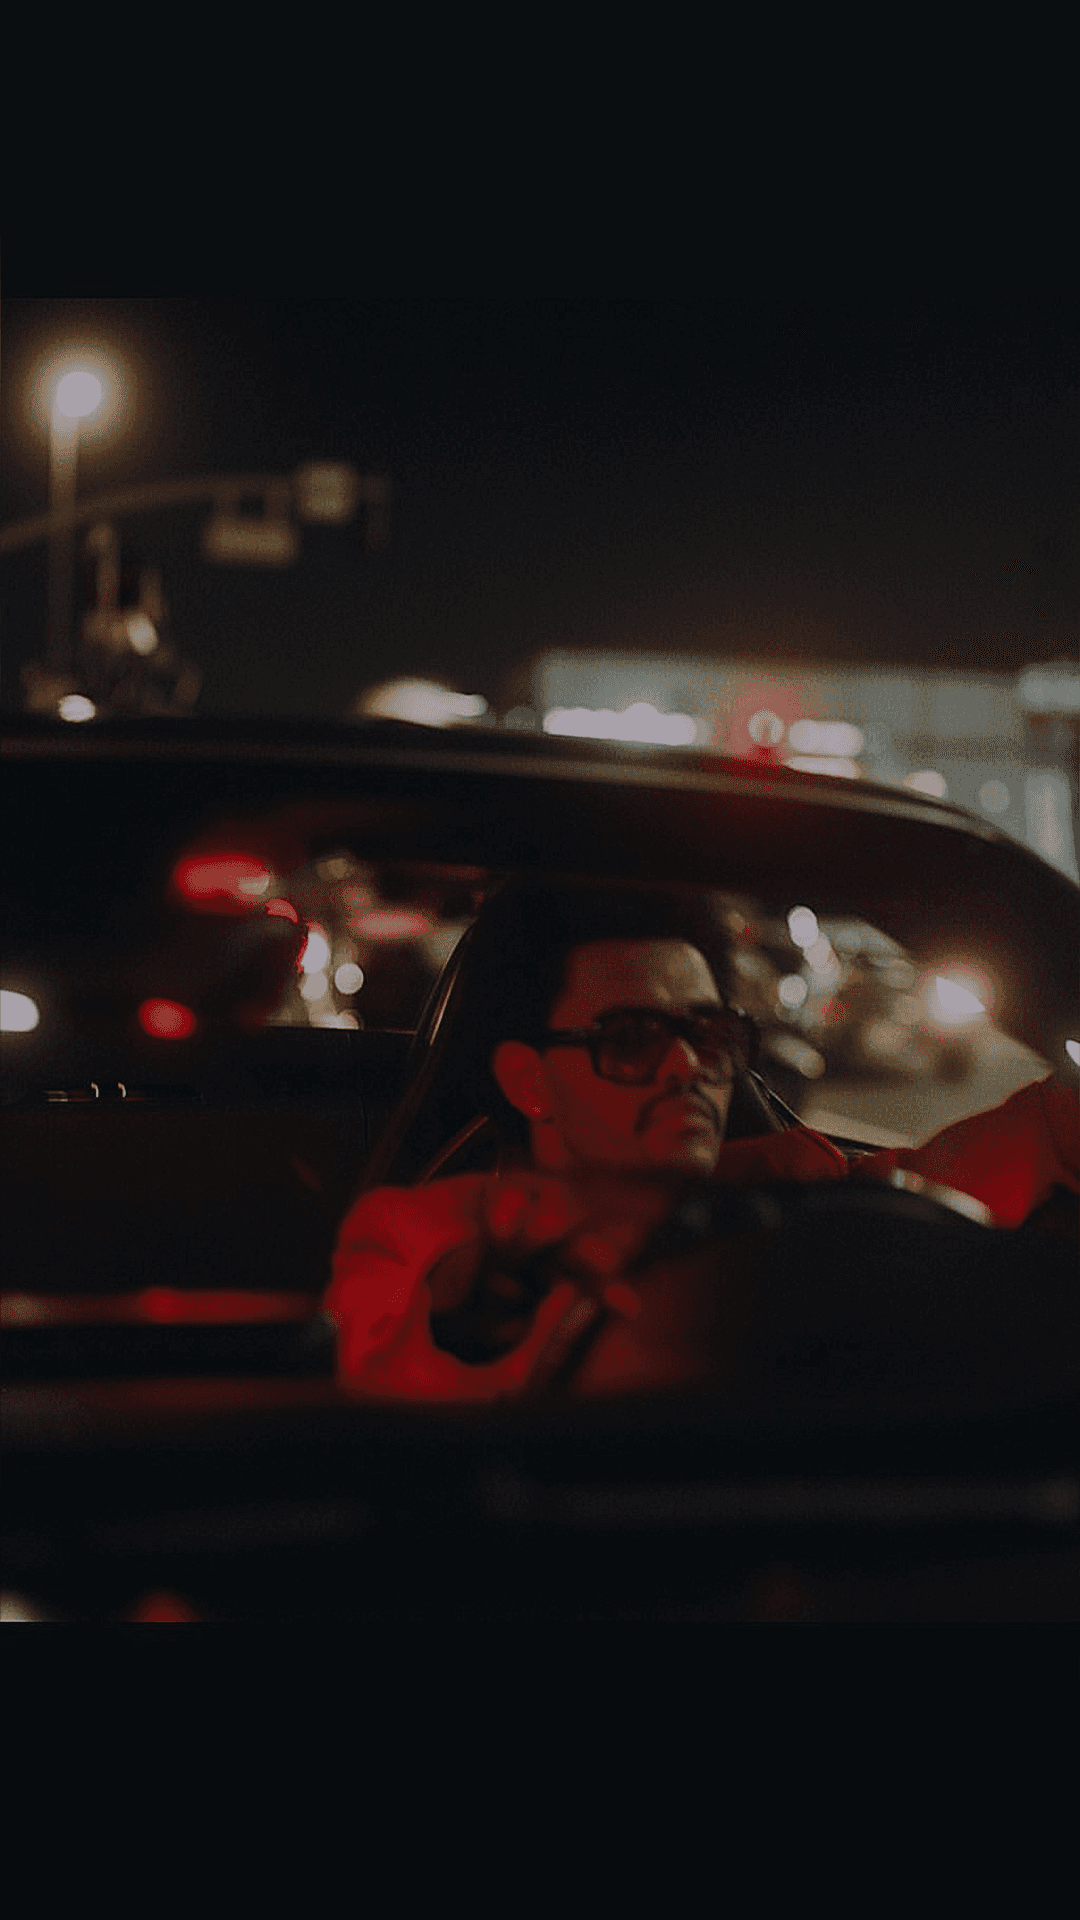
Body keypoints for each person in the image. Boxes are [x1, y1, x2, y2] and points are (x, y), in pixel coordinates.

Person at [325, 882, 1078, 1401]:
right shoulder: (414, 1235)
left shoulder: (802, 1191)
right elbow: (396, 1378)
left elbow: (1031, 1139)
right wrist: (491, 1303)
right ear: (529, 1081)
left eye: (708, 1034)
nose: (686, 1068)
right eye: (631, 1039)